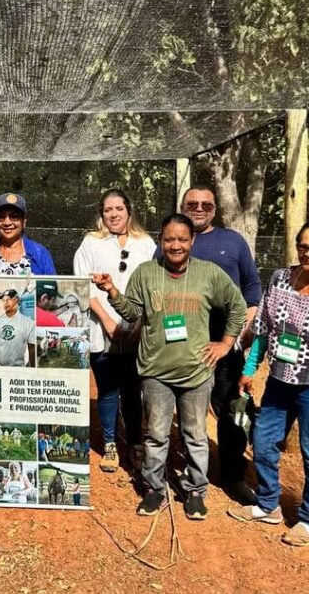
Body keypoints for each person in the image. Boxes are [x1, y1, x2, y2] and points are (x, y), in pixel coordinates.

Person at [93, 213, 247, 520]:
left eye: (182, 239)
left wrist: (225, 344)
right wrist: (112, 291)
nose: (175, 245)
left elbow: (238, 307)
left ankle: (195, 490)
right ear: (160, 240)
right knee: (156, 435)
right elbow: (133, 312)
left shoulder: (209, 274)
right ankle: (154, 488)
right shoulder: (147, 272)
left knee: (195, 435)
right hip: (155, 372)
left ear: (192, 240)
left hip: (196, 372)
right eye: (169, 239)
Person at [229, 220, 309, 547]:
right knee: (263, 441)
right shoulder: (280, 280)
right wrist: (250, 367)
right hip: (279, 382)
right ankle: (268, 504)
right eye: (304, 246)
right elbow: (263, 328)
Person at [167, 185, 263, 504]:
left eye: (206, 205)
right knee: (188, 409)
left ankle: (233, 475)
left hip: (226, 344)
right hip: (183, 345)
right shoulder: (172, 240)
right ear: (182, 206)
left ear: (215, 209)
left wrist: (243, 332)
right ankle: (192, 472)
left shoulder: (233, 241)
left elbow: (252, 288)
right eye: (192, 204)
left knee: (232, 409)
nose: (199, 209)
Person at [73, 188, 157, 472]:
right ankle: (110, 444)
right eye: (107, 210)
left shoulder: (146, 244)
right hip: (100, 329)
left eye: (119, 208)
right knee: (108, 389)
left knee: (133, 390)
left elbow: (154, 286)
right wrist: (107, 321)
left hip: (136, 332)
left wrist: (139, 323)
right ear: (101, 214)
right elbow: (82, 285)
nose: (113, 214)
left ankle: (134, 443)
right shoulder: (91, 243)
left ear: (128, 210)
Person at [0, 193, 57, 275]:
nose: (7, 223)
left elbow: (50, 283)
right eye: (1, 217)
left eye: (14, 217)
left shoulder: (40, 254)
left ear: (24, 221)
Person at [0, 289, 35, 366]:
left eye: (9, 299)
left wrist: (32, 367)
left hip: (16, 367)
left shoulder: (28, 323)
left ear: (17, 300)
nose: (5, 303)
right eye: (3, 300)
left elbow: (32, 348)